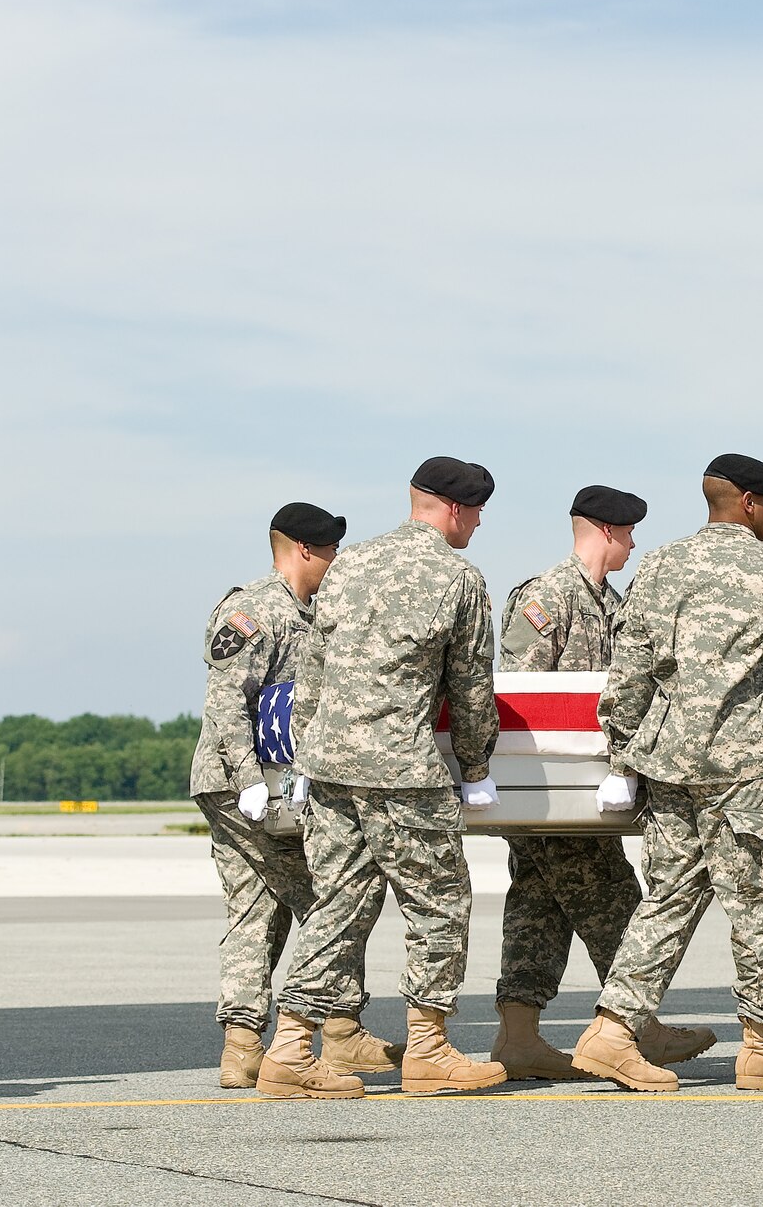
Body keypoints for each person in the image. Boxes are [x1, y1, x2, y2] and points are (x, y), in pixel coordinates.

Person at [570, 454, 763, 1092]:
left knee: (669, 897)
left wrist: (626, 749)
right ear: (748, 502)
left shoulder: (661, 564)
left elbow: (630, 668)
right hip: (745, 763)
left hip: (669, 763)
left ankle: (611, 1031)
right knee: (761, 905)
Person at [257, 457, 506, 1097]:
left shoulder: (349, 567)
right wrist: (476, 767)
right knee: (440, 904)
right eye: (476, 512)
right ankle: (427, 1049)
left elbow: (311, 672)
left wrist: (309, 755)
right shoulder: (459, 578)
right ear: (455, 509)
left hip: (330, 769)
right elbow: (472, 687)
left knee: (336, 907)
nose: (477, 524)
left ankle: (287, 1050)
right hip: (404, 771)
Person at [491, 485, 715, 1079]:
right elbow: (518, 697)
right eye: (629, 532)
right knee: (614, 900)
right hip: (549, 789)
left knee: (538, 907)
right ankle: (638, 1028)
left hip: (583, 794)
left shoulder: (610, 605)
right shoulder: (548, 597)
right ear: (607, 531)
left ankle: (519, 1037)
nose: (635, 543)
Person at [191, 502, 398, 1088]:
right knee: (333, 897)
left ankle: (243, 1046)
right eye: (329, 551)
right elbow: (228, 700)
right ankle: (336, 1032)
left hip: (269, 786)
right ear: (304, 550)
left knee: (254, 907)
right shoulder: (254, 610)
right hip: (246, 787)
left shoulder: (307, 613)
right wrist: (251, 781)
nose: (335, 563)